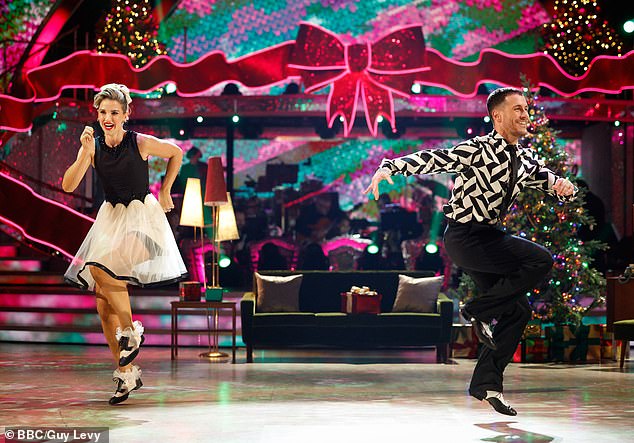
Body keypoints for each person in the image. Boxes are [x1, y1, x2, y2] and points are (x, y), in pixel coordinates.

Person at [365, 87, 577, 416]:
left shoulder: (523, 158)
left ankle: (486, 384)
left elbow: (545, 178)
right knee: (540, 259)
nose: (525, 115)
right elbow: (434, 159)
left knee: (519, 312)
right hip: (464, 238)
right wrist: (389, 167)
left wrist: (562, 184)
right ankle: (477, 309)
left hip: (488, 239)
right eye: (518, 109)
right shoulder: (477, 150)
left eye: (526, 109)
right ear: (498, 117)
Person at [62, 83, 187, 405]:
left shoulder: (139, 142)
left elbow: (176, 152)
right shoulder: (93, 146)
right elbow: (68, 184)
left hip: (144, 223)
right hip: (112, 221)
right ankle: (127, 374)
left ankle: (131, 331)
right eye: (103, 112)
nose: (107, 117)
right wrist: (85, 152)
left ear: (125, 115)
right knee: (103, 305)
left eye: (114, 112)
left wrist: (165, 191)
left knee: (98, 271)